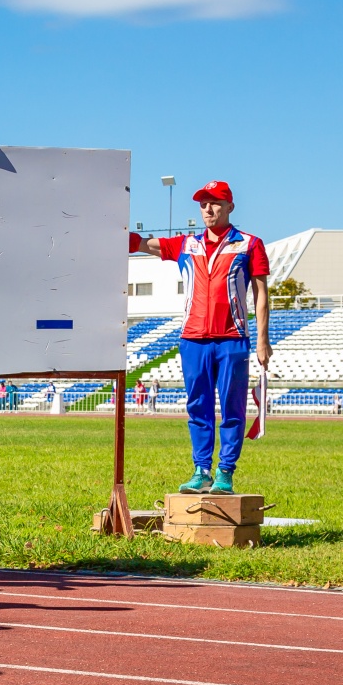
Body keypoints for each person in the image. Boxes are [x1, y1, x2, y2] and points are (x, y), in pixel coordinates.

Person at [129, 182, 270, 494]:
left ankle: (225, 472)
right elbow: (143, 244)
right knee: (198, 406)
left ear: (230, 206)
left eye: (216, 202)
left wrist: (263, 340)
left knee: (232, 407)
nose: (209, 209)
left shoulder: (249, 244)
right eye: (203, 203)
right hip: (193, 338)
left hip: (232, 338)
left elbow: (261, 295)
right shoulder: (187, 244)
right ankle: (201, 469)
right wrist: (112, 230)